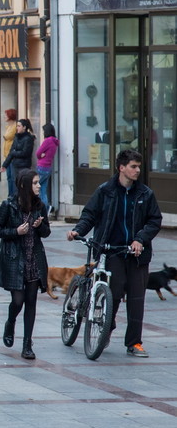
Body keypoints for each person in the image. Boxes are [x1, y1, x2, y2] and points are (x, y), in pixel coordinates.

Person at [66, 149, 162, 357]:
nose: (137, 170)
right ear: (121, 168)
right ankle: (106, 331)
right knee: (115, 292)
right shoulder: (105, 191)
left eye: (138, 167)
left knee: (137, 299)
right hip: (112, 251)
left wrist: (140, 239)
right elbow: (90, 214)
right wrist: (78, 230)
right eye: (133, 166)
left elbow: (154, 220)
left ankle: (134, 343)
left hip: (137, 254)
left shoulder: (145, 194)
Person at [0, 169, 50, 360]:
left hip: (34, 258)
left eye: (38, 182)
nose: (39, 185)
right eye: (35, 183)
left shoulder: (40, 206)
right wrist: (16, 231)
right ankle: (10, 322)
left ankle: (27, 344)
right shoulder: (8, 205)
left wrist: (39, 226)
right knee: (18, 301)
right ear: (25, 185)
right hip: (14, 259)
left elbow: (46, 232)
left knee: (31, 301)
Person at [0, 119, 36, 197]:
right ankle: (16, 205)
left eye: (19, 126)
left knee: (22, 187)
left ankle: (23, 205)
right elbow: (11, 152)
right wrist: (5, 165)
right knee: (15, 186)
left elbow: (26, 152)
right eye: (17, 126)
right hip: (15, 165)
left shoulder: (28, 138)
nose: (17, 128)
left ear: (24, 127)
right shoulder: (16, 137)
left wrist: (14, 152)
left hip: (24, 166)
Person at [35, 123, 59, 211]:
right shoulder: (54, 141)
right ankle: (45, 209)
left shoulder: (47, 141)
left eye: (44, 131)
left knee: (34, 186)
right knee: (42, 190)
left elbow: (38, 153)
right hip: (48, 167)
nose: (43, 132)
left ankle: (42, 208)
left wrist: (41, 155)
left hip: (41, 167)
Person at [2, 109, 18, 196]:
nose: (4, 117)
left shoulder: (14, 126)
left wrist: (5, 137)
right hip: (7, 155)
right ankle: (9, 194)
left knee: (12, 177)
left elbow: (7, 136)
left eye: (6, 115)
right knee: (8, 177)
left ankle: (12, 195)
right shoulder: (8, 126)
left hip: (12, 155)